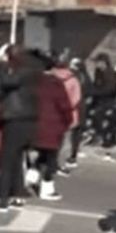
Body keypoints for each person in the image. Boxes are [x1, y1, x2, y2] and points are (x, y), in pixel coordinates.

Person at [0, 47, 41, 211]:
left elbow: (7, 82)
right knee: (17, 159)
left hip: (16, 118)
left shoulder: (22, 72)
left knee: (7, 160)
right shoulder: (35, 71)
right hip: (30, 118)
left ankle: (3, 199)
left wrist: (0, 66)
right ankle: (18, 194)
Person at [33, 58, 74, 202]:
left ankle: (31, 174)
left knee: (39, 152)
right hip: (54, 125)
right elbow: (65, 106)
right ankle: (47, 188)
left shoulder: (33, 82)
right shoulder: (55, 84)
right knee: (51, 158)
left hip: (34, 124)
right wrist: (68, 121)